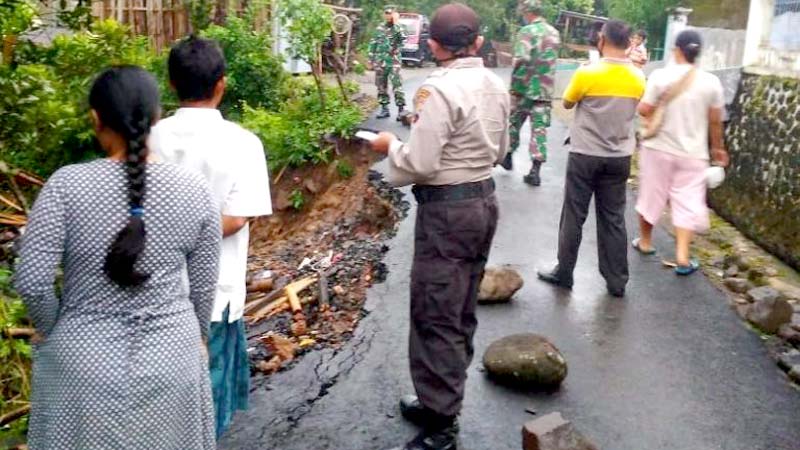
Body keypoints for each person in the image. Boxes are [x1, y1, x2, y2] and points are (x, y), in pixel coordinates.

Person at [14, 66, 220, 449]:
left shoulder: (66, 185)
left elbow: (32, 280)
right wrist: (200, 338)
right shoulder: (195, 189)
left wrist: (52, 327)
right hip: (171, 355)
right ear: (157, 117)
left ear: (95, 118)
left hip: (82, 363)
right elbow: (205, 285)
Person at [369, 4, 509, 449]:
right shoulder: (494, 84)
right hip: (483, 201)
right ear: (479, 43)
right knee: (461, 304)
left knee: (435, 312)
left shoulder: (437, 90)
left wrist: (390, 146)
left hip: (447, 213)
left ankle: (443, 424)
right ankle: (439, 400)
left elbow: (421, 163)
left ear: (431, 45)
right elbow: (502, 149)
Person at [148, 36, 272, 439]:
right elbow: (235, 219)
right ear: (222, 83)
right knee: (206, 397)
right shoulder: (243, 143)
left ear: (170, 83)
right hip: (214, 295)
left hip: (154, 293)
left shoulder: (150, 138)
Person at [537, 20, 646, 298]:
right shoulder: (638, 78)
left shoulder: (587, 73)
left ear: (602, 39)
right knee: (613, 218)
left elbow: (567, 103)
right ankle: (617, 280)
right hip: (619, 157)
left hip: (585, 154)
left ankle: (565, 273)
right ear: (628, 43)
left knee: (574, 214)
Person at [633, 30, 729, 275]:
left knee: (651, 194)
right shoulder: (711, 82)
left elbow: (644, 109)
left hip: (658, 149)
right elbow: (716, 122)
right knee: (687, 201)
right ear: (697, 53)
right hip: (694, 154)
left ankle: (645, 242)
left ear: (677, 50)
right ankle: (683, 256)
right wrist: (718, 150)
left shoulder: (660, 76)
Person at [500, 0, 560, 187]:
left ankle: (508, 155)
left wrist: (514, 87)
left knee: (514, 122)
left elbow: (522, 59)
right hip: (544, 90)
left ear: (527, 12)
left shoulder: (526, 32)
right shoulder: (554, 33)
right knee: (539, 129)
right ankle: (535, 170)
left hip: (524, 89)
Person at [369, 6, 407, 120]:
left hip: (393, 61)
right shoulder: (379, 28)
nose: (388, 15)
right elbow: (373, 43)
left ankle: (401, 110)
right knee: (381, 85)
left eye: (390, 13)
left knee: (397, 85)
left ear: (395, 14)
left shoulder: (399, 27)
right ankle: (384, 109)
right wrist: (370, 58)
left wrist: (396, 23)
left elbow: (402, 40)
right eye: (386, 13)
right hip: (380, 61)